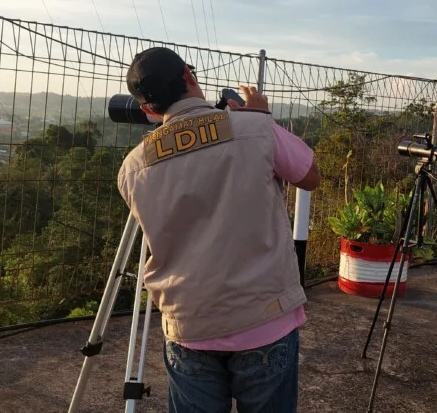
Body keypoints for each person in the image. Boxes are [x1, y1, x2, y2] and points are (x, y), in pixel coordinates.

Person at [116, 47, 321, 412]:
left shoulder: (132, 168)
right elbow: (310, 177)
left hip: (188, 325)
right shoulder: (257, 128)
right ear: (189, 76)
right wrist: (262, 119)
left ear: (148, 110)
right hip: (264, 317)